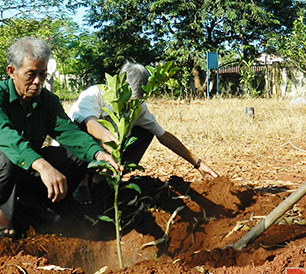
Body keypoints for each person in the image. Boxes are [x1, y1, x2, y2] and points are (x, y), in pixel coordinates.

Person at [0, 37, 118, 238]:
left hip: (26, 171)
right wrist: (43, 166)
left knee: (77, 155)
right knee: (5, 158)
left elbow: (69, 132)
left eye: (42, 74)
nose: (38, 81)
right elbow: (3, 134)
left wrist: (97, 152)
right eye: (31, 74)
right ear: (12, 71)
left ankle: (43, 202)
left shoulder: (47, 101)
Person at [68, 62, 218, 203]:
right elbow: (90, 125)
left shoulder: (138, 107)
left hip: (108, 155)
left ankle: (102, 180)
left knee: (145, 132)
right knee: (79, 128)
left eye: (136, 102)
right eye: (129, 101)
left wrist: (198, 163)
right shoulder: (95, 94)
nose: (131, 107)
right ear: (121, 89)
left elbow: (163, 135)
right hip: (72, 156)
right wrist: (108, 139)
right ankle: (81, 183)